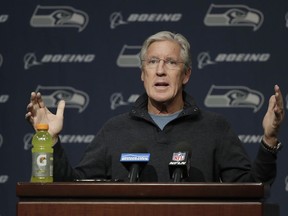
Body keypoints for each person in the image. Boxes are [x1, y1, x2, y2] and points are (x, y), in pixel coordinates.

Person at [25, 31, 284, 183]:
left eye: (171, 62)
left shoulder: (215, 128)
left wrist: (269, 139)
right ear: (142, 73)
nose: (160, 70)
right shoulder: (115, 130)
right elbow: (73, 188)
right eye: (152, 62)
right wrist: (49, 139)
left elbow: (252, 189)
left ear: (186, 75)